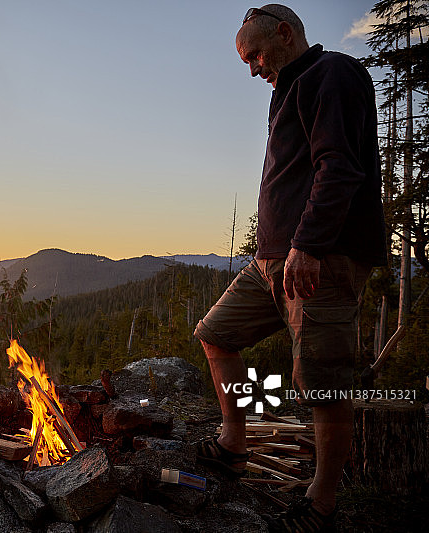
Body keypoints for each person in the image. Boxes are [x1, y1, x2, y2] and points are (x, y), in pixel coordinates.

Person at [193, 4, 387, 532]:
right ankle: (234, 443)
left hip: (321, 258)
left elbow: (339, 165)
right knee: (216, 334)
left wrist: (307, 244)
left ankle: (321, 505)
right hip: (273, 262)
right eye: (247, 61)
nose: (253, 68)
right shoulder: (289, 88)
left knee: (323, 385)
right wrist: (274, 249)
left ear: (286, 33)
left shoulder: (333, 73)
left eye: (255, 54)